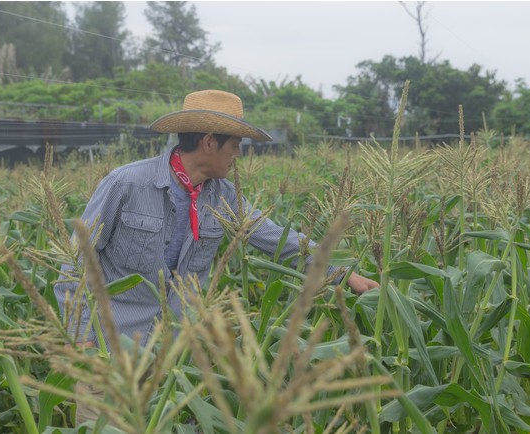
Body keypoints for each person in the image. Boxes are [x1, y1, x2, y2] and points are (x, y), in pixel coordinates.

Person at [54, 88, 378, 350]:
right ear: (209, 142)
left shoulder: (222, 197)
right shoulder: (126, 185)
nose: (238, 155)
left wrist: (342, 273)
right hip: (110, 349)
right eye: (235, 145)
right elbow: (76, 259)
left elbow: (278, 239)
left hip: (177, 356)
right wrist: (80, 336)